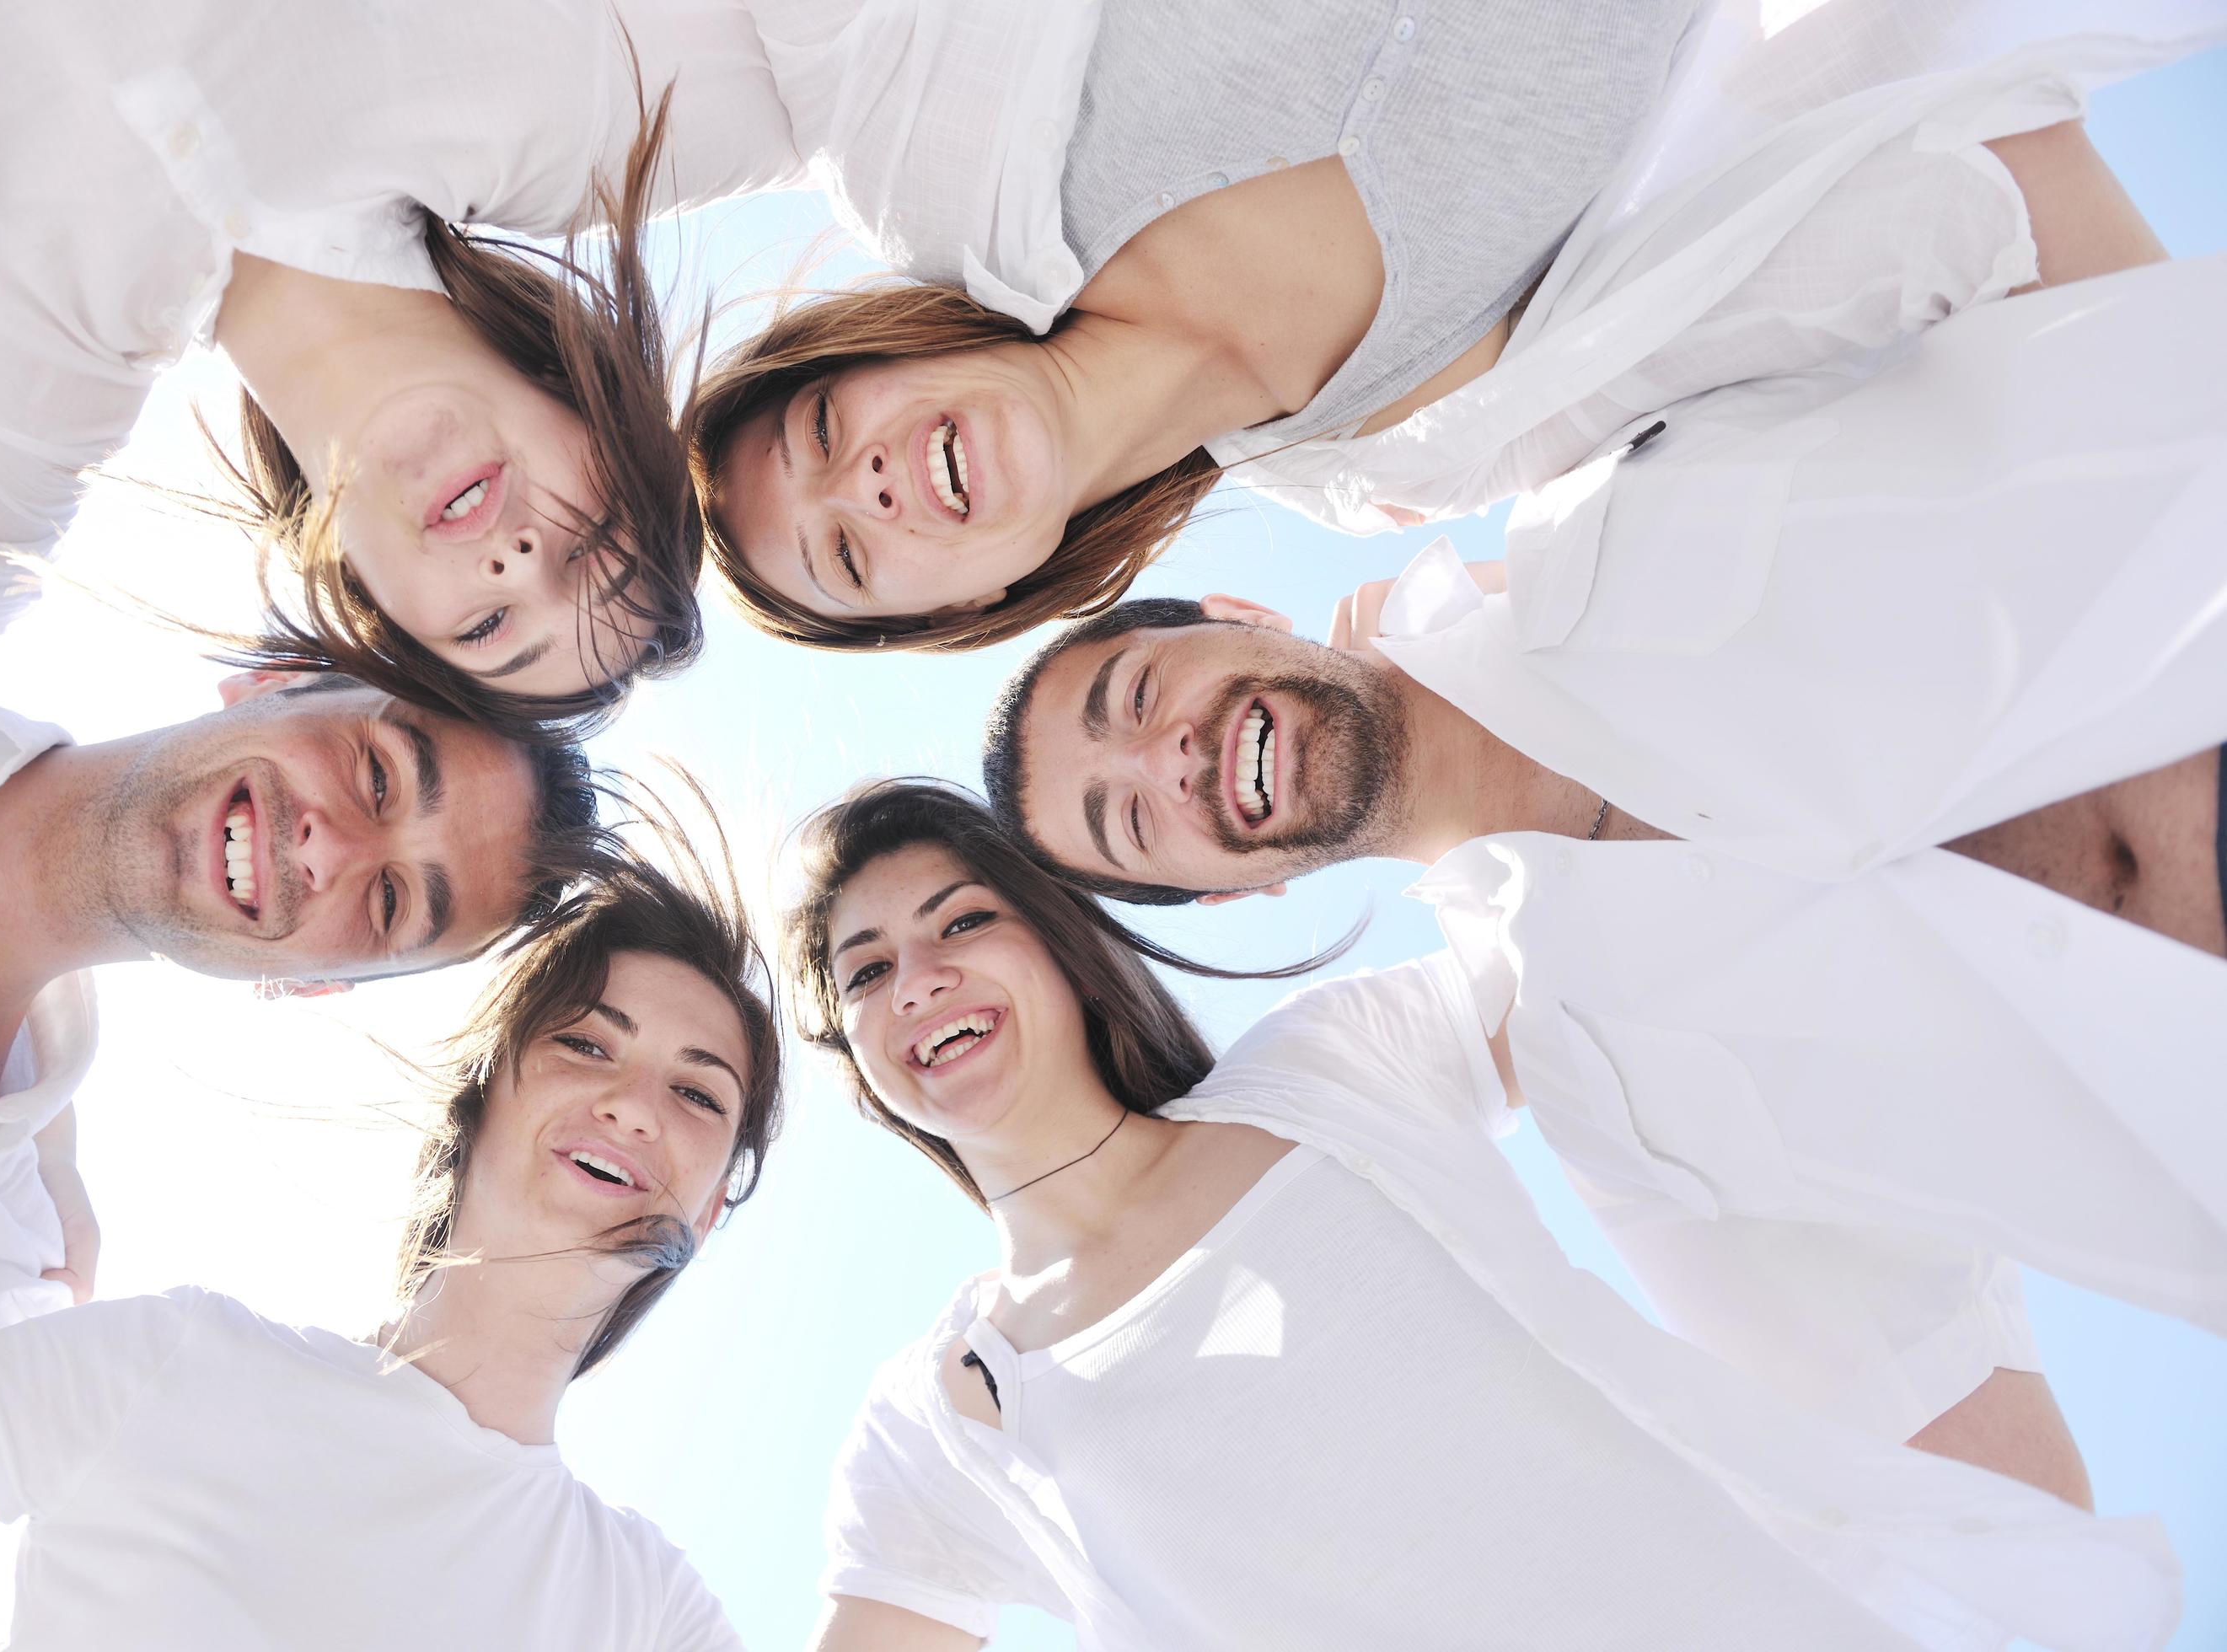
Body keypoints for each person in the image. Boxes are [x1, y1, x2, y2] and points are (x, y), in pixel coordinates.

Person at [974, 251, 2227, 1410]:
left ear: (1241, 610)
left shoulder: (1609, 477)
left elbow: (1950, 186)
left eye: (1136, 697)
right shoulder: (1611, 1107)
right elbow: (1958, 1462)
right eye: (1130, 820)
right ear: (1228, 894)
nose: (1169, 758)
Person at [0, 119, 604, 1643]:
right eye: (383, 772)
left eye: (395, 901)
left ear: (315, 981)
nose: (335, 844)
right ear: (273, 679)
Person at [785, 781, 2171, 1652]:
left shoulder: (1321, 1076)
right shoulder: (947, 1422)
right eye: (866, 969)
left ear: (1059, 943)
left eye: (960, 922)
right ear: (857, 1061)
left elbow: (1609, 917)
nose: (918, 978)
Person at [686, 2, 2220, 652]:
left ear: (893, 352)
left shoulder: (1019, 137)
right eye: (849, 554)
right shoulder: (1407, 447)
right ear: (980, 598)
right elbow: (1937, 206)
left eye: (825, 433)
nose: (866, 485)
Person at [0, 0, 1114, 723]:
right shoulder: (575, 100)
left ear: (369, 604)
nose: (518, 566)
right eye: (599, 549)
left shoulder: (27, 394)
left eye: (485, 630)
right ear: (610, 428)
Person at [0, 850, 782, 1649]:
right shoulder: (169, 1363)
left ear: (711, 1210)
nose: (635, 1106)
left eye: (698, 1093)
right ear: (484, 1094)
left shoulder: (646, 1611)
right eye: (586, 1042)